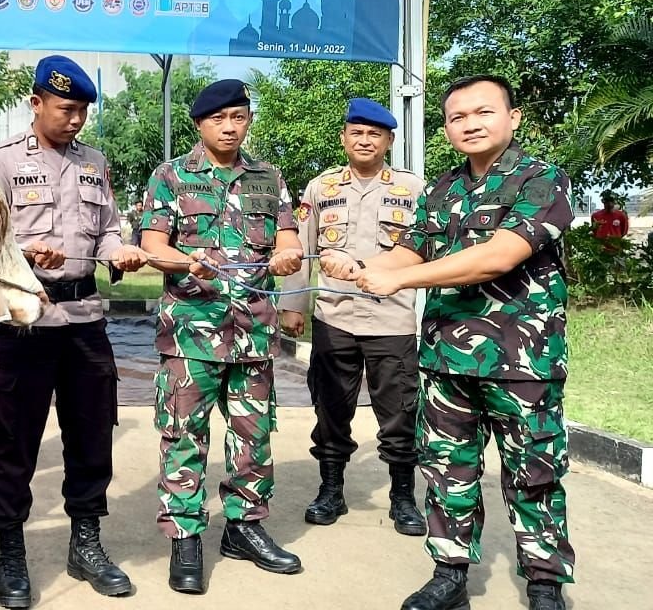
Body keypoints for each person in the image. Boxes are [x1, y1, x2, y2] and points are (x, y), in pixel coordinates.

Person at [321, 75, 574, 610]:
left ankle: (545, 583)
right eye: (458, 117)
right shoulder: (443, 188)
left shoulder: (540, 180)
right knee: (448, 471)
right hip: (446, 358)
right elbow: (411, 251)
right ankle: (450, 573)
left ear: (514, 118)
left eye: (484, 112)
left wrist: (398, 280)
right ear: (447, 128)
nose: (471, 124)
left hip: (520, 362)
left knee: (534, 475)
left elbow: (499, 256)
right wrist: (362, 265)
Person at [0, 55, 146, 608]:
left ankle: (87, 544)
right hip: (26, 323)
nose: (76, 121)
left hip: (86, 322)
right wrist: (24, 253)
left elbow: (107, 230)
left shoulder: (94, 163)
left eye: (82, 112)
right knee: (15, 443)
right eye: (66, 109)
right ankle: (10, 551)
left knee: (92, 435)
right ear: (36, 104)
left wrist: (119, 249)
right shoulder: (0, 165)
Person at [139, 78, 306, 593]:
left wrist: (287, 252)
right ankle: (185, 536)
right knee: (183, 437)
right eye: (219, 119)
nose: (230, 127)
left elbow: (287, 236)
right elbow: (151, 245)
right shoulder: (171, 176)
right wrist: (189, 262)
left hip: (253, 330)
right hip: (191, 333)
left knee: (253, 438)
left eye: (239, 116)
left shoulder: (268, 177)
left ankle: (245, 528)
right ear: (199, 124)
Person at [278, 98, 426, 536]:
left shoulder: (413, 189)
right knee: (330, 409)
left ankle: (403, 497)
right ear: (344, 137)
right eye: (356, 132)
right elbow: (300, 250)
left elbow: (425, 252)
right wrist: (292, 306)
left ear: (389, 141)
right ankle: (330, 490)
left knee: (399, 412)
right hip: (334, 316)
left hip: (391, 320)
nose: (365, 140)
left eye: (374, 134)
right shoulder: (320, 188)